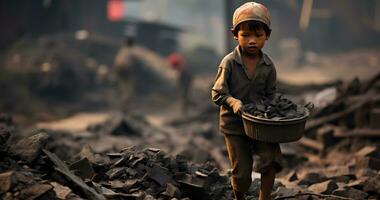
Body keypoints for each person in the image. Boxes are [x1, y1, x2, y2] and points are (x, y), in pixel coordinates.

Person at [211, 2, 282, 200]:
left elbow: (271, 94)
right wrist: (234, 103)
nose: (252, 41)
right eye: (246, 35)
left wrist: (279, 107)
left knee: (270, 161)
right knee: (242, 172)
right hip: (235, 126)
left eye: (258, 36)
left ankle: (264, 197)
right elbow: (217, 92)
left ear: (267, 35)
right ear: (235, 35)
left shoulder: (268, 66)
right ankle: (239, 197)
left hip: (261, 124)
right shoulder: (229, 63)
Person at [113, 37, 138, 111]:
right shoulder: (130, 52)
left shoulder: (121, 51)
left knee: (124, 89)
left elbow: (117, 63)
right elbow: (133, 61)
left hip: (120, 71)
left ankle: (123, 107)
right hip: (126, 71)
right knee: (128, 91)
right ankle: (124, 108)